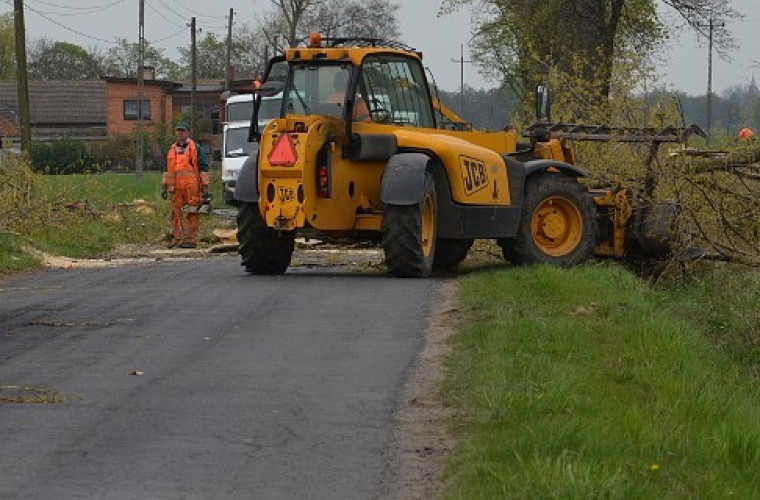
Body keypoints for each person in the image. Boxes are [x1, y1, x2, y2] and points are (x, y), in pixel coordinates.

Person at [161, 121, 209, 249]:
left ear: (188, 132)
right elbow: (168, 169)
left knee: (192, 211)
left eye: (183, 130)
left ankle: (190, 239)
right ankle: (177, 237)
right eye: (178, 130)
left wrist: (205, 188)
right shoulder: (172, 149)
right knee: (176, 212)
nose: (180, 132)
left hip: (191, 185)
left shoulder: (195, 148)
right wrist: (164, 186)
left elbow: (203, 167)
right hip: (175, 186)